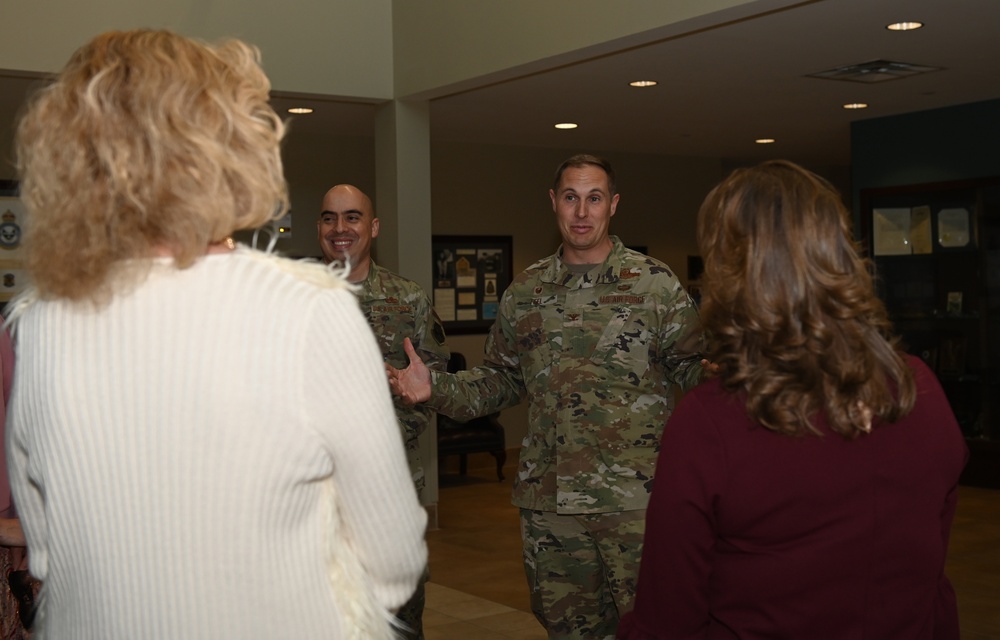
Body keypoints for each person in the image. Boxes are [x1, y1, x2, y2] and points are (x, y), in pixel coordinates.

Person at [7, 29, 426, 639]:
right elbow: (392, 560)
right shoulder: (309, 309)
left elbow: (48, 550)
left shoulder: (42, 322)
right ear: (227, 145)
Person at [616, 160, 969, 639]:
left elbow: (667, 619)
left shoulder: (712, 423)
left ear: (729, 272)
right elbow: (930, 569)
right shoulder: (918, 389)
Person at [389, 154, 707, 639]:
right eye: (571, 197)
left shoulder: (655, 285)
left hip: (637, 506)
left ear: (613, 205)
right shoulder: (527, 292)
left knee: (658, 627)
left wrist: (738, 376)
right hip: (551, 508)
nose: (582, 211)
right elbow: (500, 380)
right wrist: (437, 388)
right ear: (554, 203)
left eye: (594, 198)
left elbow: (693, 369)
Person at [317, 184, 448, 639]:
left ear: (372, 227)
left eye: (352, 217)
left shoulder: (407, 299)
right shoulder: (293, 297)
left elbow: (433, 389)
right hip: (311, 498)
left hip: (387, 496)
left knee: (398, 620)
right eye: (330, 218)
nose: (340, 229)